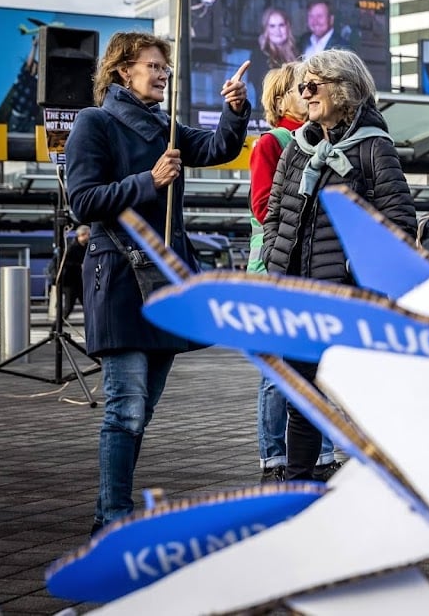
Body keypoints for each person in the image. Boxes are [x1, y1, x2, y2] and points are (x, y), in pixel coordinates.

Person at [65, 32, 251, 534]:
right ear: (123, 70)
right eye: (153, 65)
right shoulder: (94, 122)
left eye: (165, 67)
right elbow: (82, 201)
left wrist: (235, 109)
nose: (163, 73)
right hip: (121, 278)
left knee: (141, 408)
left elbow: (217, 148)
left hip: (166, 278)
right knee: (125, 408)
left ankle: (115, 507)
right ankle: (112, 518)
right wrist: (149, 181)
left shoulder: (165, 125)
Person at [261, 49, 416, 481]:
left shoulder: (373, 148)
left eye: (314, 86)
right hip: (297, 295)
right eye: (301, 87)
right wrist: (274, 270)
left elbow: (398, 223)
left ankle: (387, 483)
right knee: (302, 399)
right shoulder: (298, 149)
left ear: (344, 90)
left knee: (361, 397)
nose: (304, 95)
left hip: (346, 300)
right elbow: (275, 215)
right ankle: (297, 486)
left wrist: (356, 274)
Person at [248, 62, 337, 482]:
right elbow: (264, 207)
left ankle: (319, 455)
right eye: (301, 88)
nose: (308, 93)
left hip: (307, 268)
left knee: (309, 368)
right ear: (281, 97)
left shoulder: (322, 139)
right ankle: (274, 459)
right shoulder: (272, 143)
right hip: (275, 267)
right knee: (276, 372)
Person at [250, 8, 299, 104]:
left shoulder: (297, 52)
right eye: (272, 26)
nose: (277, 30)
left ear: (287, 27)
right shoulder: (259, 55)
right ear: (266, 29)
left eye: (281, 25)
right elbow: (261, 91)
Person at [58, 224, 90, 319]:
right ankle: (54, 329)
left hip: (79, 281)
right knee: (68, 308)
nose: (89, 237)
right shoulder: (71, 247)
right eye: (88, 234)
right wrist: (79, 265)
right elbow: (63, 262)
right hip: (70, 282)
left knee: (87, 305)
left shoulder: (85, 247)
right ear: (82, 235)